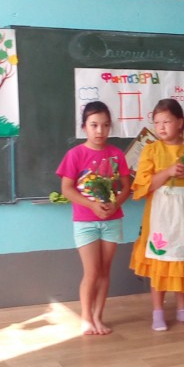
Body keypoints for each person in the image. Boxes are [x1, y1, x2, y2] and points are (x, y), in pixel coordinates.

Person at [130, 99, 184, 332]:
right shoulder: (151, 150)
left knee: (182, 256)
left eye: (166, 121)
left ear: (180, 122)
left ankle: (182, 309)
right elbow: (144, 186)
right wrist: (168, 172)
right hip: (161, 213)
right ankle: (158, 311)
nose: (161, 127)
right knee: (160, 259)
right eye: (157, 122)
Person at [56, 100, 132, 335]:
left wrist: (115, 204)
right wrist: (92, 205)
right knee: (92, 272)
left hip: (112, 221)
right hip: (85, 222)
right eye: (94, 125)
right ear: (84, 127)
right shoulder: (75, 154)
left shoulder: (116, 154)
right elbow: (66, 189)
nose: (100, 130)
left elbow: (126, 187)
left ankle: (98, 316)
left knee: (104, 272)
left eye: (105, 125)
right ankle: (86, 318)